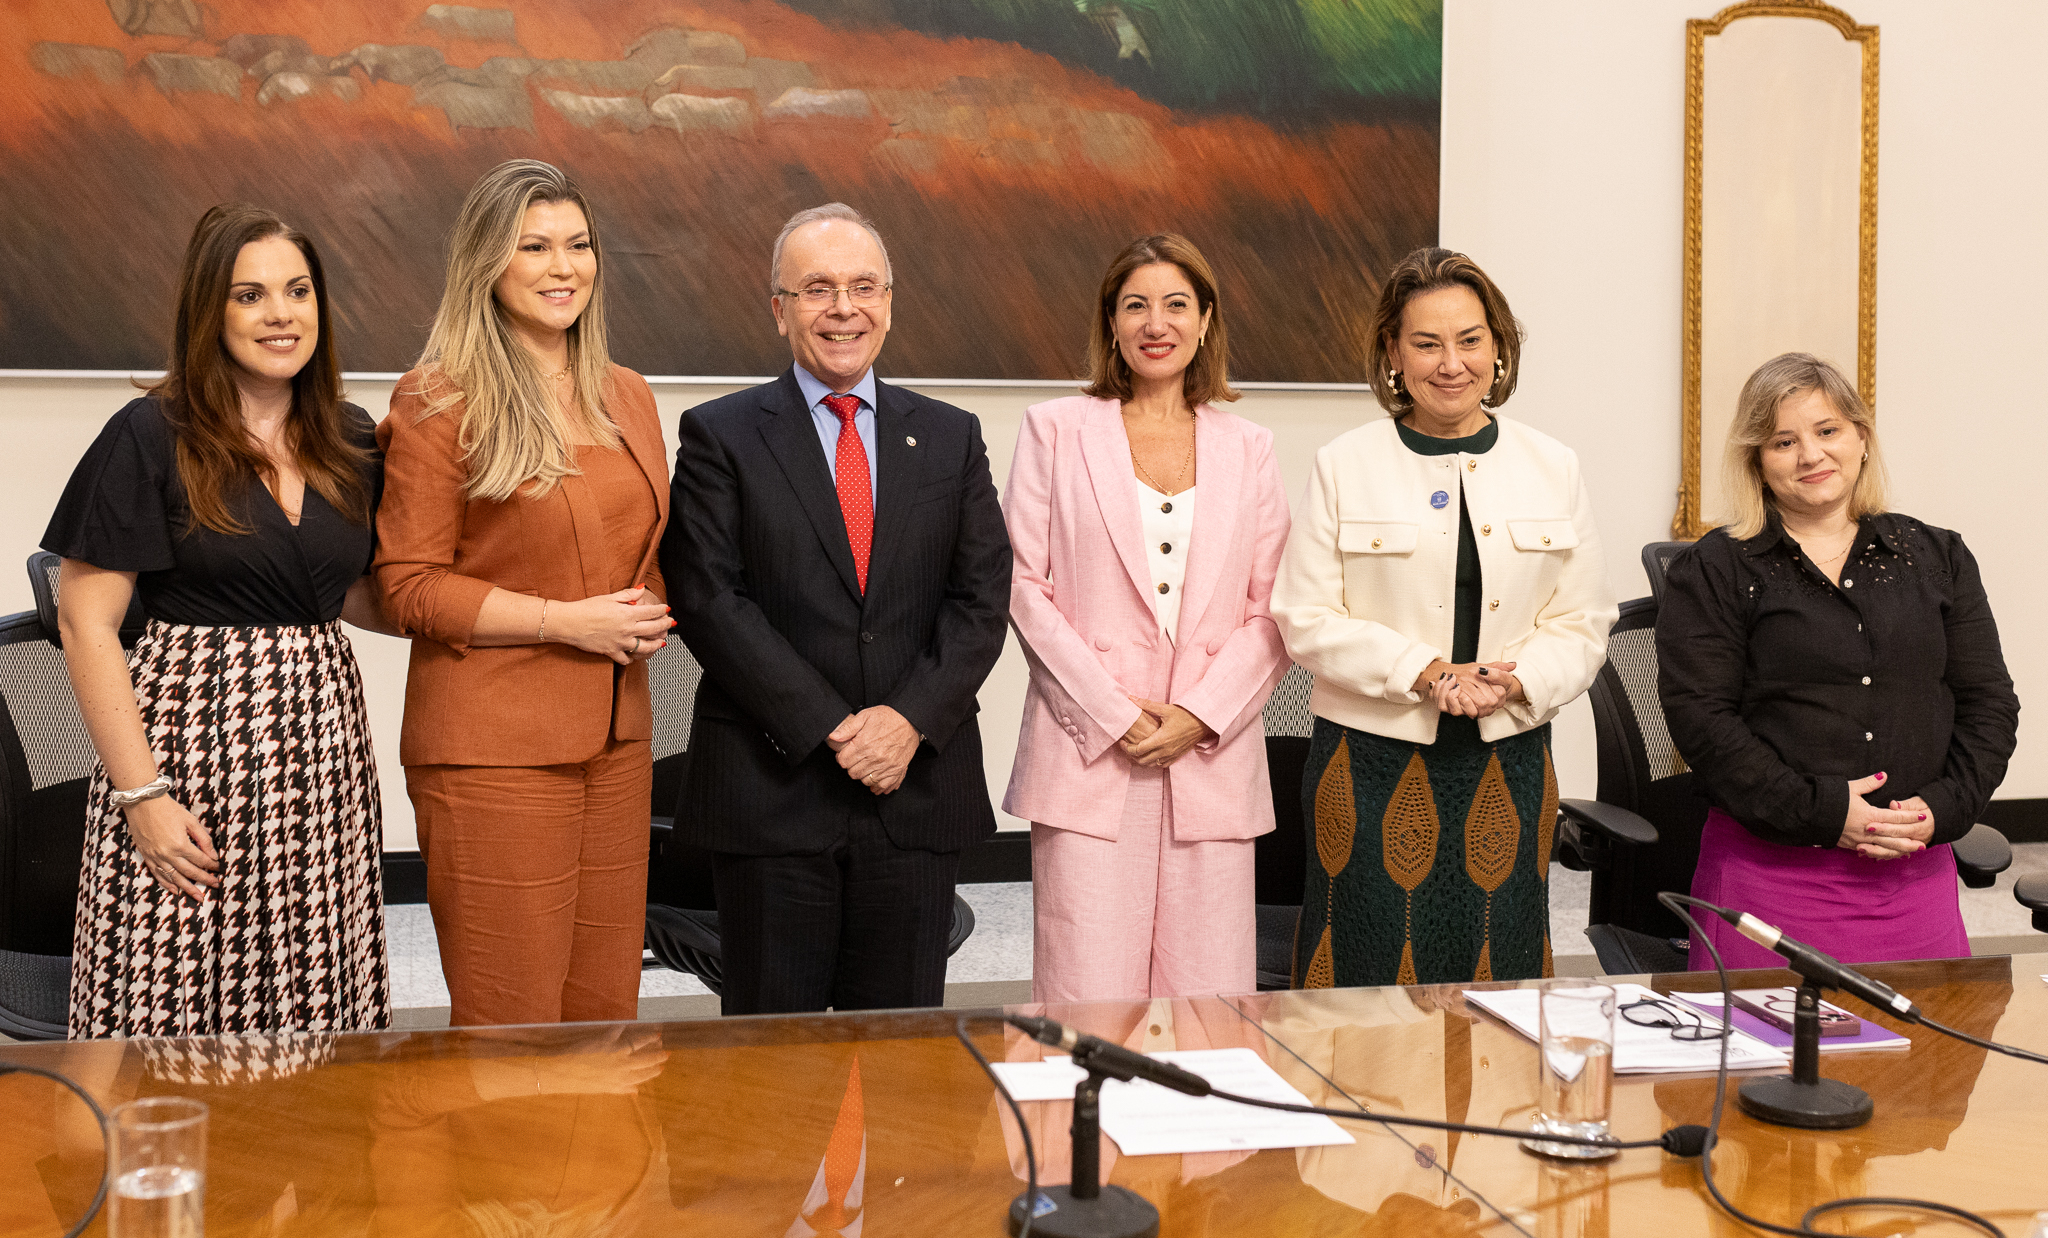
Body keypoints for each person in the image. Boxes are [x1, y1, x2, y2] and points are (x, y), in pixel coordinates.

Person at [46, 203, 392, 1038]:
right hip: (189, 751)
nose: (281, 314)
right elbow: (85, 623)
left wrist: (511, 613)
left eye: (298, 291)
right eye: (251, 295)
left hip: (321, 758)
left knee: (312, 1013)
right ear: (211, 310)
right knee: (174, 1019)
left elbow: (339, 590)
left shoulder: (349, 436)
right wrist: (143, 797)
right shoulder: (150, 434)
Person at [660, 202, 1011, 1015]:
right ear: (779, 310)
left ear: (890, 301)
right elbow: (710, 598)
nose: (843, 308)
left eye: (862, 287)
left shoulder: (951, 437)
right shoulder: (720, 434)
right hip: (772, 790)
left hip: (914, 787)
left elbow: (981, 596)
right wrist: (832, 726)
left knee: (900, 1068)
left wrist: (906, 722)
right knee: (771, 1071)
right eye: (817, 288)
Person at [375, 159, 674, 1026]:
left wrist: (648, 607)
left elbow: (640, 549)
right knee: (514, 1027)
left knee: (601, 1016)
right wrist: (567, 623)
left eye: (578, 245)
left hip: (617, 744)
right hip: (492, 750)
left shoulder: (627, 393)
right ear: (486, 264)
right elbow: (408, 587)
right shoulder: (439, 397)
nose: (562, 266)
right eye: (533, 246)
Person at [1271, 247, 1615, 988]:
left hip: (1507, 755)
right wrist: (1422, 673)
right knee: (1360, 964)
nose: (1449, 363)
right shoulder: (1344, 463)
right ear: (1393, 352)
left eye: (1469, 340)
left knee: (1501, 966)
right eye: (1426, 343)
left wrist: (1510, 681)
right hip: (1368, 761)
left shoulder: (1552, 465)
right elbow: (1304, 615)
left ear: (1499, 346)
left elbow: (1584, 619)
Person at [1001, 233, 1290, 1002]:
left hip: (1208, 756)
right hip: (1089, 751)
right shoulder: (1054, 430)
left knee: (1210, 1004)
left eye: (1174, 304)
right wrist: (1112, 712)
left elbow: (1273, 610)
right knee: (1084, 999)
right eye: (1136, 305)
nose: (1155, 323)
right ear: (1112, 323)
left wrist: (1199, 714)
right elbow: (1024, 588)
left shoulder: (1250, 447)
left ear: (1204, 321)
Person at [1658, 353, 2018, 970]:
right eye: (1783, 441)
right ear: (1757, 460)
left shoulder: (1938, 556)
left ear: (1861, 438)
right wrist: (1825, 812)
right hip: (1770, 880)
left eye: (1828, 431)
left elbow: (1989, 704)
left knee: (1929, 1063)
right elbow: (1703, 721)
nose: (1811, 456)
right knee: (1761, 1063)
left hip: (1913, 873)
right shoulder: (1716, 568)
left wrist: (1943, 809)